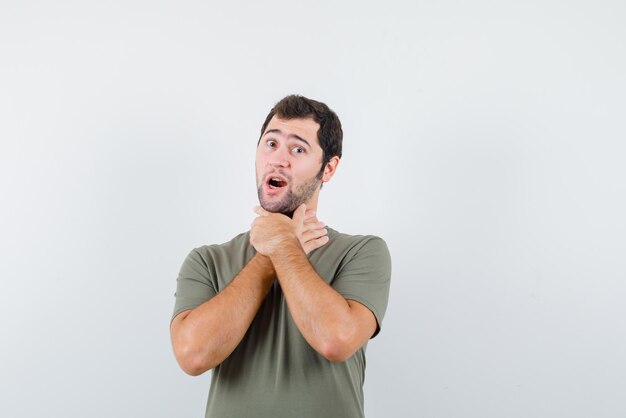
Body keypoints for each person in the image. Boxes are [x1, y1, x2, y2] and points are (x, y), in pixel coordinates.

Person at [170, 95, 392, 418]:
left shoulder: (362, 253)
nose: (278, 159)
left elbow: (336, 339)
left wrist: (285, 246)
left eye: (298, 149)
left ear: (328, 168)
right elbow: (192, 355)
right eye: (270, 143)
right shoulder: (207, 261)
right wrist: (267, 257)